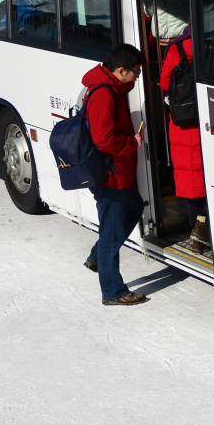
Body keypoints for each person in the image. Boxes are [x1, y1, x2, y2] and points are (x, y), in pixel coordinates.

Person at [81, 43, 149, 307]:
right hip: (111, 175)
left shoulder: (112, 87)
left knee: (133, 208)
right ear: (120, 70)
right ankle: (113, 292)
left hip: (120, 174)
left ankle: (98, 256)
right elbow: (104, 139)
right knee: (111, 234)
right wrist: (132, 142)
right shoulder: (104, 95)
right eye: (136, 72)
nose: (137, 77)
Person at [152, 0, 209, 252]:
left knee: (191, 175)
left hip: (185, 119)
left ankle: (197, 232)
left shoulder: (178, 48)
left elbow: (164, 81)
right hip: (211, 117)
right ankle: (205, 228)